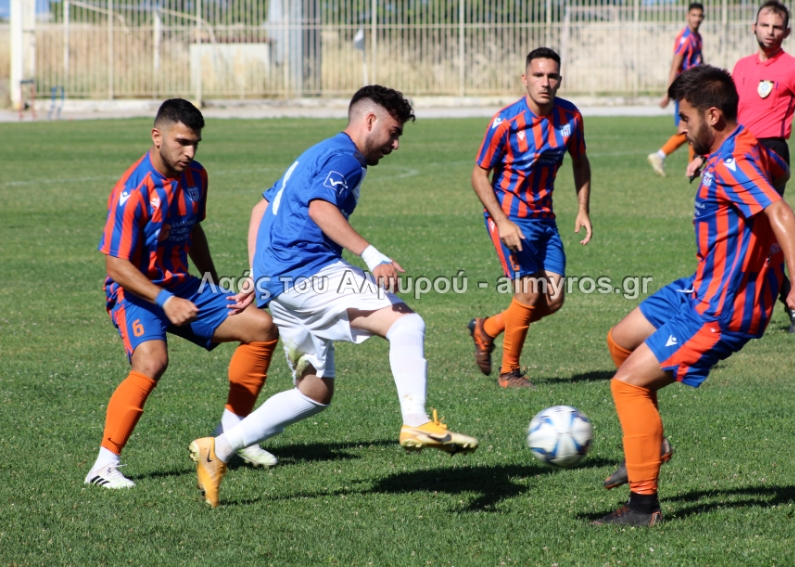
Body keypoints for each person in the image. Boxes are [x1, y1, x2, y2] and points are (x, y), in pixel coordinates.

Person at [188, 85, 479, 508]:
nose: (395, 144)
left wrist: (258, 275)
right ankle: (416, 421)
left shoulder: (317, 152)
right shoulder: (345, 158)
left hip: (282, 286)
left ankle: (218, 448)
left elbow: (260, 209)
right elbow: (320, 208)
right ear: (370, 121)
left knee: (313, 392)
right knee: (407, 324)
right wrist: (373, 255)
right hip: (310, 273)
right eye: (393, 133)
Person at [595, 65, 795, 526]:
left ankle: (643, 508)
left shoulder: (735, 162)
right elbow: (777, 171)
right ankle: (651, 444)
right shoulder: (744, 148)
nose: (680, 128)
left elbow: (778, 210)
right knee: (620, 340)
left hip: (721, 308)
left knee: (627, 384)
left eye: (685, 118)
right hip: (699, 286)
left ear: (713, 115)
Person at [85, 99, 280, 489]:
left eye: (195, 143)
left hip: (182, 285)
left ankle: (230, 436)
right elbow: (116, 265)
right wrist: (164, 300)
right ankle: (103, 466)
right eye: (182, 142)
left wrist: (211, 281)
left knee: (261, 326)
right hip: (135, 291)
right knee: (152, 361)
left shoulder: (196, 176)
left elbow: (193, 230)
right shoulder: (133, 190)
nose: (189, 152)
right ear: (157, 137)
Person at [685, 0, 795, 333]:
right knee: (748, 238)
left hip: (770, 154)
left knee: (755, 236)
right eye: (765, 25)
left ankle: (762, 304)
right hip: (734, 152)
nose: (770, 32)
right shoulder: (741, 67)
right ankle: (767, 303)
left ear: (787, 32)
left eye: (777, 27)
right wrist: (703, 155)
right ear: (753, 27)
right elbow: (726, 120)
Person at [467, 47, 592, 389]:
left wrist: (583, 208)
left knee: (552, 300)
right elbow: (479, 174)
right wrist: (502, 222)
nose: (545, 82)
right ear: (525, 79)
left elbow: (580, 161)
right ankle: (509, 373)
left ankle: (486, 329)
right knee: (528, 294)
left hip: (545, 219)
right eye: (538, 75)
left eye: (551, 76)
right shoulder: (506, 122)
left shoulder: (571, 117)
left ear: (559, 80)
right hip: (510, 217)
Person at [647, 2, 705, 177]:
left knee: (693, 128)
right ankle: (661, 155)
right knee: (689, 128)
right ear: (687, 16)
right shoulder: (684, 39)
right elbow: (674, 66)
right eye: (694, 15)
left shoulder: (697, 37)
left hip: (694, 90)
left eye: (699, 16)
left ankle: (689, 166)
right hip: (685, 91)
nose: (697, 19)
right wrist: (668, 93)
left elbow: (699, 63)